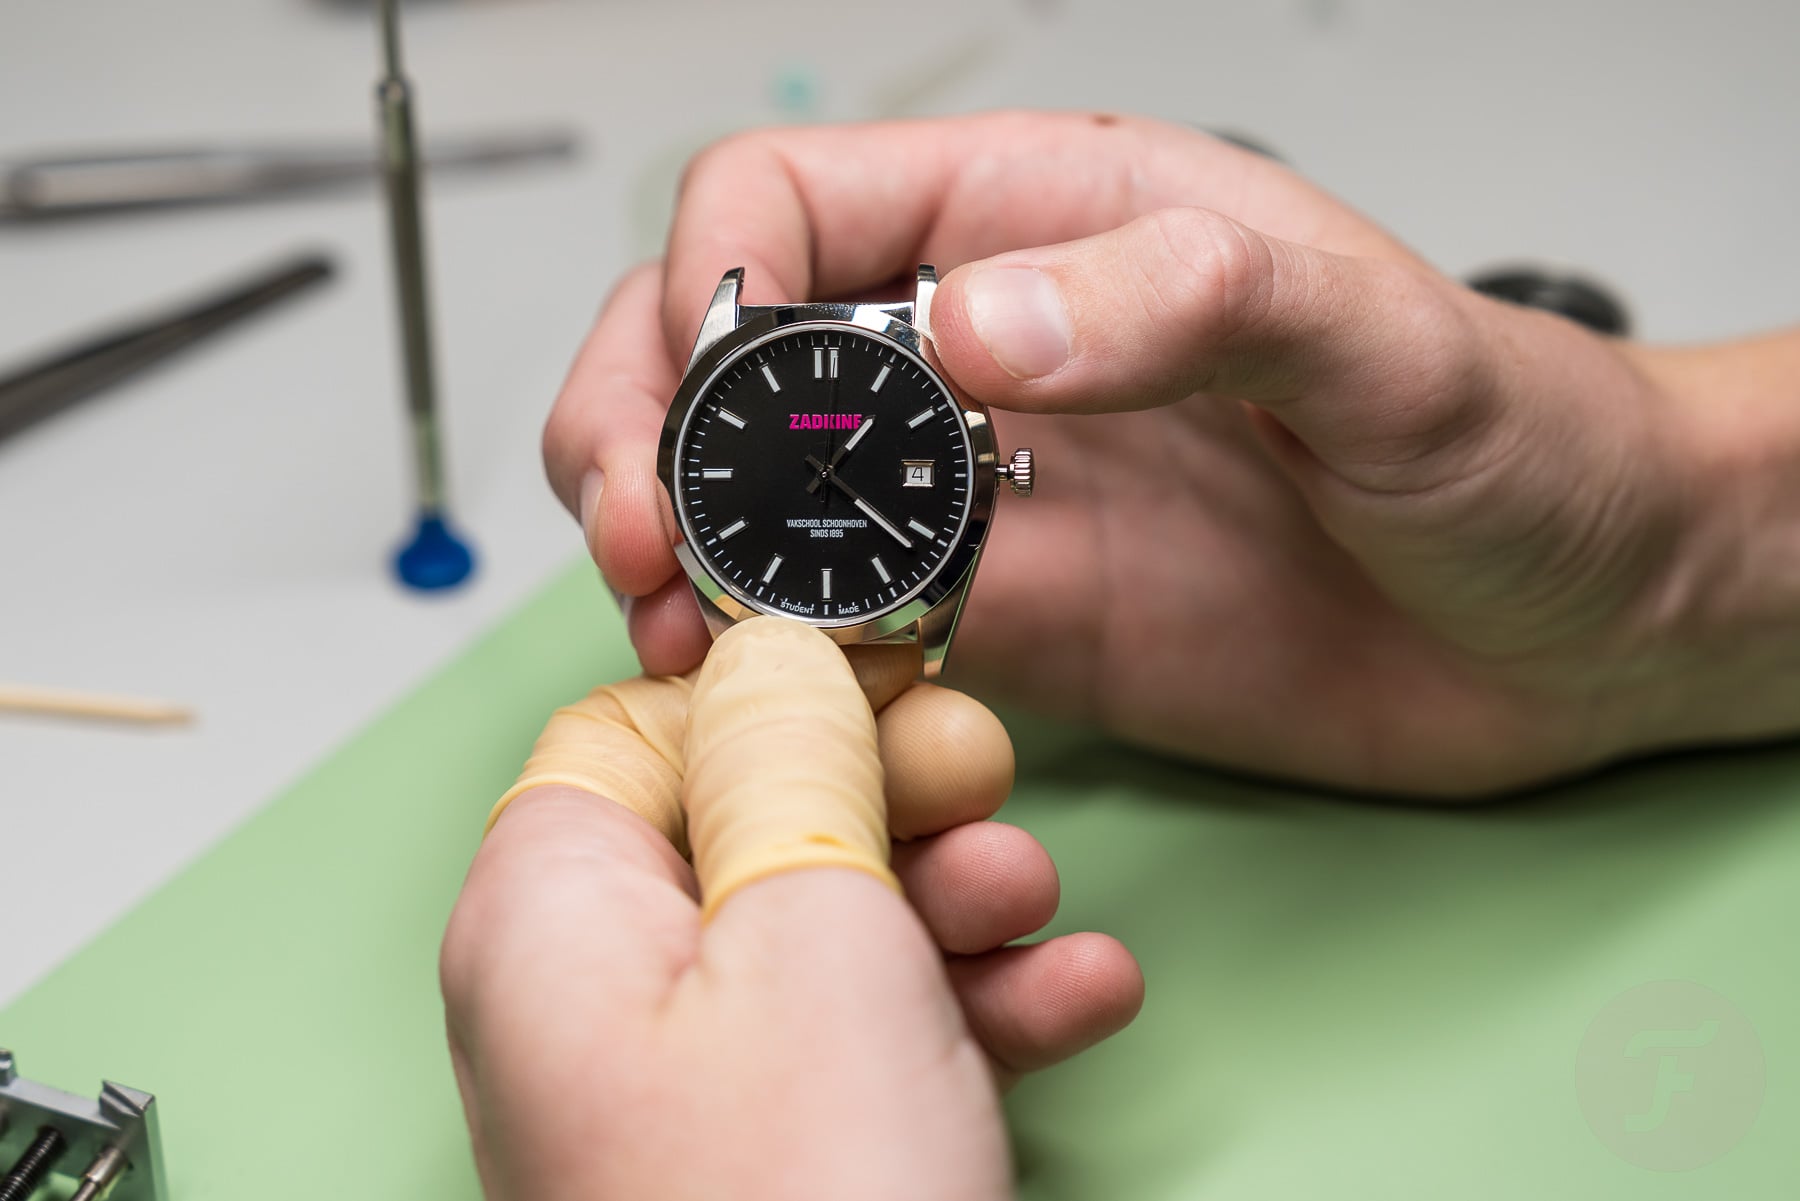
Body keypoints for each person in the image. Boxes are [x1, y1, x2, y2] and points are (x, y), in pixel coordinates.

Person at [443, 111, 1800, 1198]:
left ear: (990, 471)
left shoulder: (949, 434)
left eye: (861, 471)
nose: (831, 483)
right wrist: (1684, 569)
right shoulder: (911, 466)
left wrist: (1683, 559)